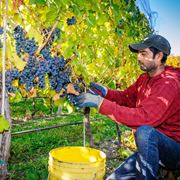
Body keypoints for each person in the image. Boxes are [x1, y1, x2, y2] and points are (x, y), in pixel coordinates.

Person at [74, 34, 180, 179]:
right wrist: (105, 92)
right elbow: (126, 98)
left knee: (145, 131)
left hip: (173, 150)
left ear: (159, 56)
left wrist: (100, 103)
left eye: (144, 53)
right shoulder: (145, 78)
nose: (138, 58)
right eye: (138, 54)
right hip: (150, 148)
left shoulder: (169, 84)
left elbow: (146, 118)